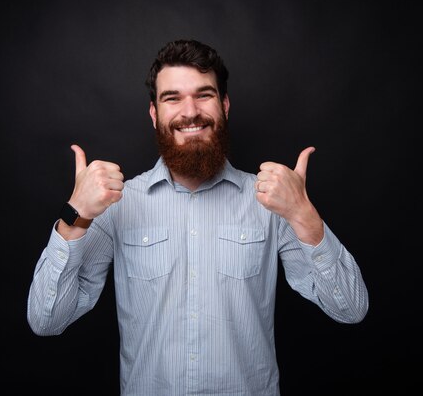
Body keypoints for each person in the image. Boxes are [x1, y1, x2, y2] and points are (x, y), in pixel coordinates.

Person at [27, 39, 369, 396]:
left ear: (224, 105)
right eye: (172, 98)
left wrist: (304, 214)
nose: (189, 111)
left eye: (204, 95)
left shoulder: (271, 202)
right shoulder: (118, 203)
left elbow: (351, 309)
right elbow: (46, 320)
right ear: (154, 114)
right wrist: (75, 215)